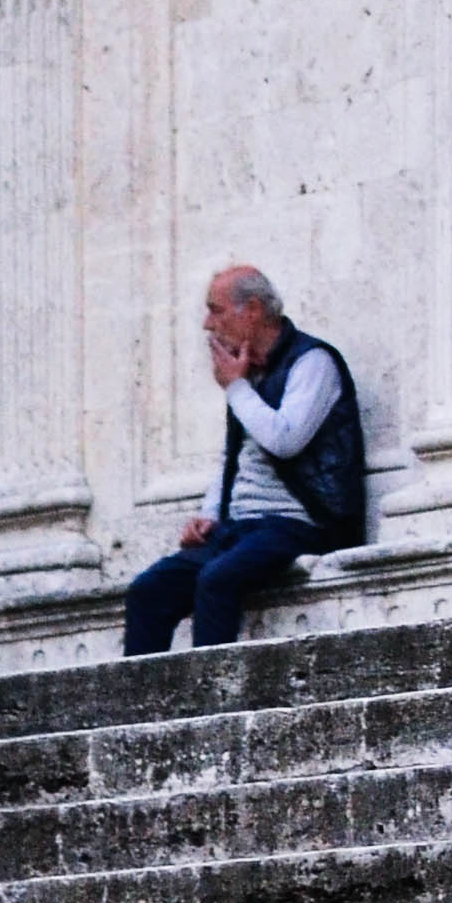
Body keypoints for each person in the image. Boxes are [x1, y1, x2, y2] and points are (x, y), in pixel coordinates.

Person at [119, 263, 367, 653]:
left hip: (302, 523)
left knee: (217, 580)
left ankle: (212, 706)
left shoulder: (313, 362)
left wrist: (236, 388)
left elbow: (285, 440)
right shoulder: (248, 374)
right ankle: (139, 712)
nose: (207, 324)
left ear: (251, 309)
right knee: (149, 591)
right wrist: (210, 514)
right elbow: (233, 457)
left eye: (215, 310)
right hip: (242, 528)